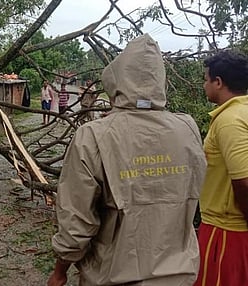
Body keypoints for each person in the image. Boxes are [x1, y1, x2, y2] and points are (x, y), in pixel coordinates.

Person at [48, 34, 206, 286]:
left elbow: (76, 221)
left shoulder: (93, 135)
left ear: (117, 79)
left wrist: (60, 271)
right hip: (180, 276)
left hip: (112, 276)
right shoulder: (187, 128)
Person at [194, 51, 248, 286]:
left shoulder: (229, 121)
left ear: (218, 82)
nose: (204, 85)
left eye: (206, 79)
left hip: (226, 231)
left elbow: (244, 181)